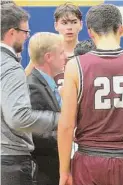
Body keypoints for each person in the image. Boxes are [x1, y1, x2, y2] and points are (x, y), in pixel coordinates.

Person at [58, 4, 123, 185]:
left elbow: (66, 126)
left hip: (89, 159)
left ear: (90, 32)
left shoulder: (76, 65)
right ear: (121, 28)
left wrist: (64, 171)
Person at [1, 5, 59, 185]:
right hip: (11, 161)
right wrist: (60, 119)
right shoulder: (11, 68)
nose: (27, 36)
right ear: (12, 32)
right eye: (25, 31)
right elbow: (18, 117)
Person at [27, 32, 66, 185]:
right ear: (49, 57)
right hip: (45, 172)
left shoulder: (47, 84)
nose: (65, 57)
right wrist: (67, 135)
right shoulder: (33, 86)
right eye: (61, 53)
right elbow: (34, 133)